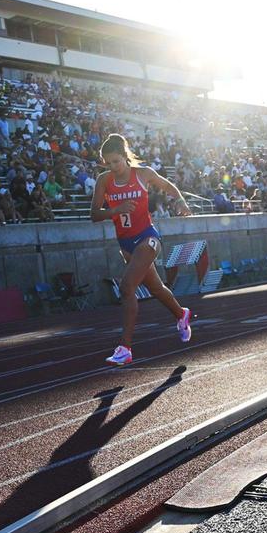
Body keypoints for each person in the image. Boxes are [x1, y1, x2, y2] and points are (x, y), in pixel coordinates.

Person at [90, 133, 193, 367]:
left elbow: (169, 187)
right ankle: (181, 314)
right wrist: (116, 211)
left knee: (127, 287)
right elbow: (94, 215)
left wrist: (180, 201)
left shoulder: (143, 174)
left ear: (125, 157)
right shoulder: (104, 181)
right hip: (125, 244)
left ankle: (125, 348)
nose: (113, 166)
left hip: (147, 238)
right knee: (156, 288)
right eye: (108, 163)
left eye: (116, 161)